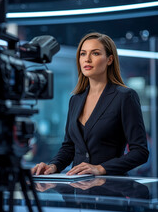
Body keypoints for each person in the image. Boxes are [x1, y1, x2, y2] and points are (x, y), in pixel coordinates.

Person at [32, 32, 149, 176]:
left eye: (95, 53)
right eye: (82, 54)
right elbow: (69, 147)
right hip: (78, 190)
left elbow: (140, 152)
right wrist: (53, 166)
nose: (87, 59)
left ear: (109, 59)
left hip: (111, 189)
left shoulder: (125, 96)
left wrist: (100, 168)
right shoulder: (75, 99)